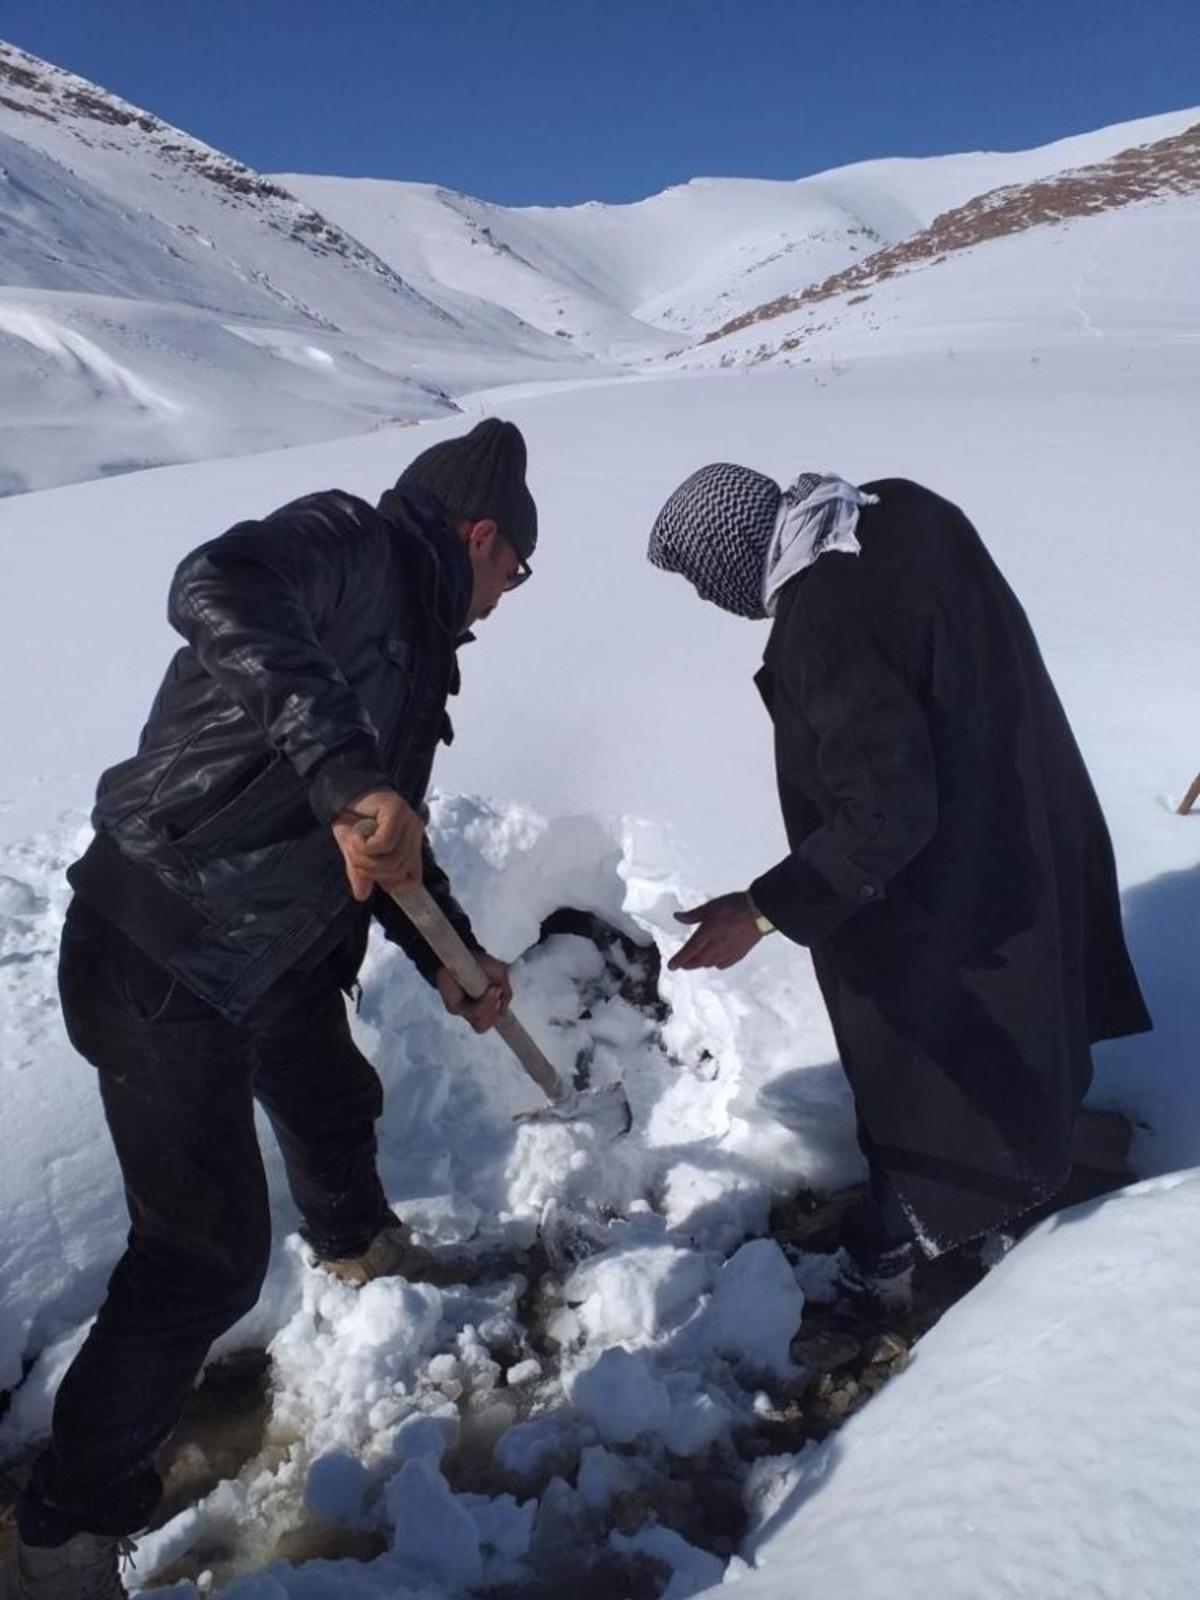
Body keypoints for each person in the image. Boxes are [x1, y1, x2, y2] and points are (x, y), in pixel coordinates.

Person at [3, 419, 537, 1600]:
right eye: (517, 570)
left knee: (332, 1090)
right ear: (482, 537)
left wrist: (454, 957)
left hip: (266, 951)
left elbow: (383, 843)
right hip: (160, 942)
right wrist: (346, 772)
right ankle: (59, 1530)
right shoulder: (350, 543)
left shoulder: (418, 651)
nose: (508, 599)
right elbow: (214, 581)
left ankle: (358, 1248)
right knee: (202, 1255)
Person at [649, 464, 1151, 1310]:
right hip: (1029, 819)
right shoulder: (892, 510)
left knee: (925, 1068)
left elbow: (887, 814)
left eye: (701, 576)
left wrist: (764, 910)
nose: (706, 597)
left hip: (946, 888)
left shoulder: (823, 619)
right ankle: (1030, 1173)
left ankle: (906, 1244)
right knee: (1028, 1029)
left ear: (734, 550)